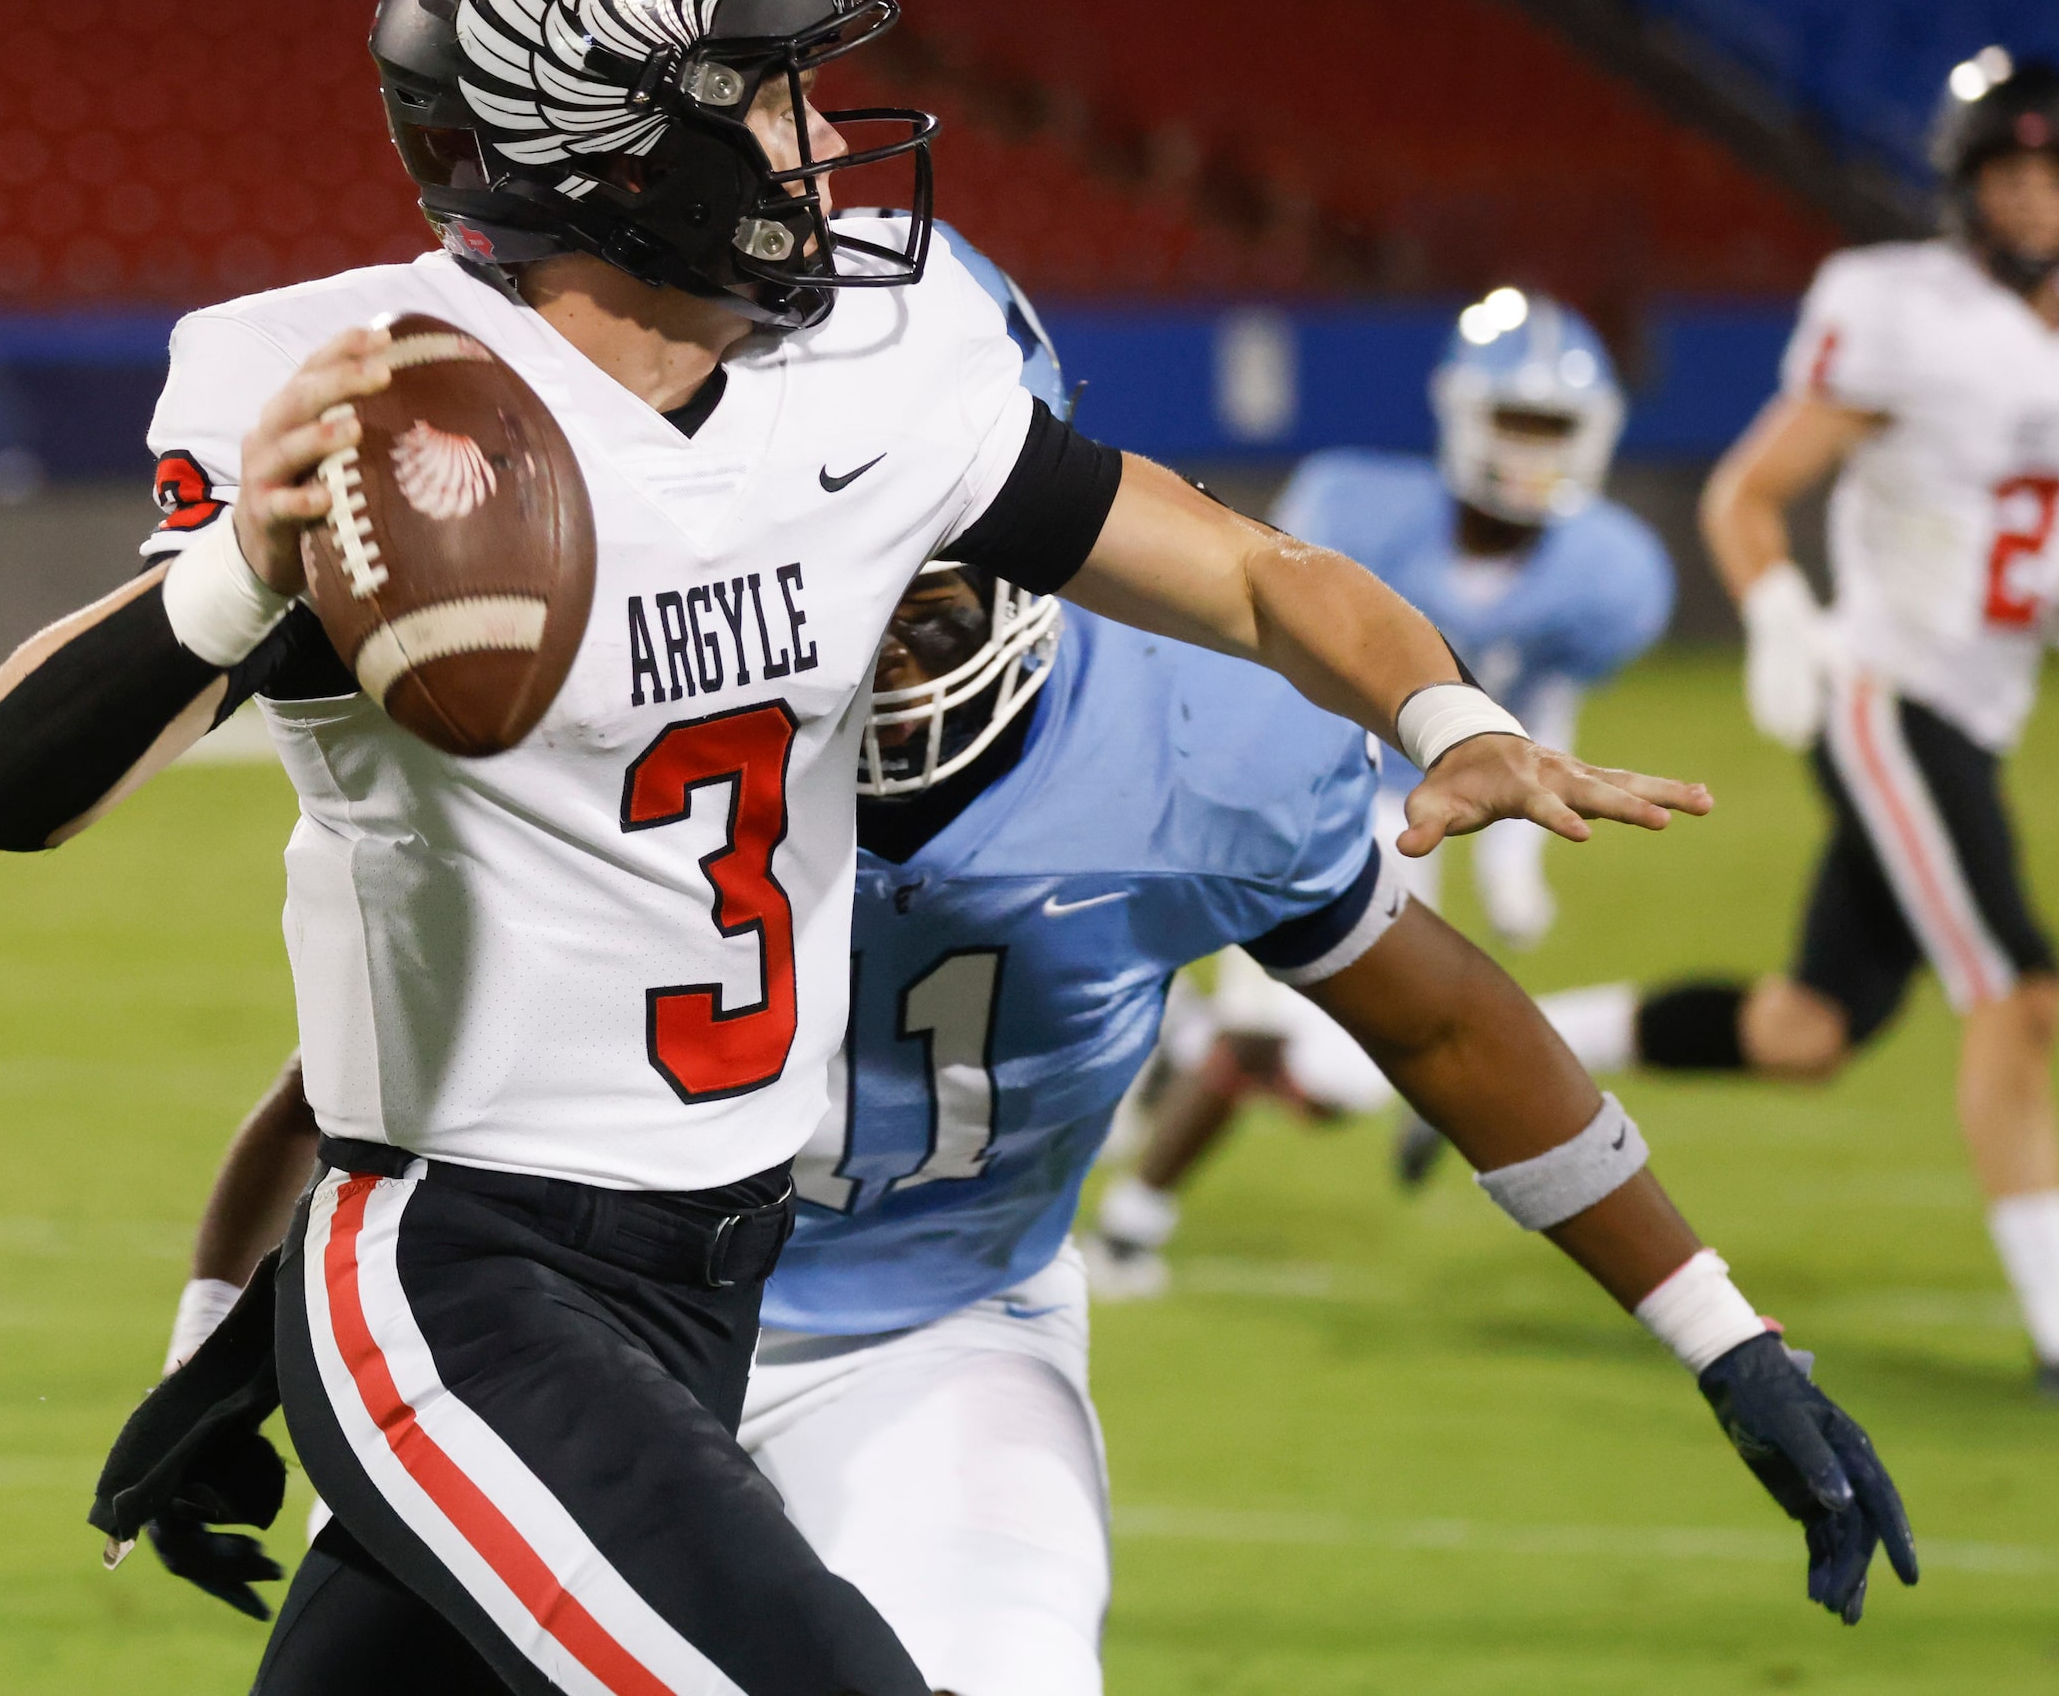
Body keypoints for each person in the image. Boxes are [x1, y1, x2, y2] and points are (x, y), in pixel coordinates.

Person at [0, 0, 1710, 1692]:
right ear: (613, 146)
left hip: (712, 1277)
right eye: (765, 91)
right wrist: (240, 570)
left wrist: (1450, 717)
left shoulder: (875, 365)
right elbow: (6, 782)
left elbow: (1253, 573)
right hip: (470, 1274)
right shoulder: (379, 406)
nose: (813, 138)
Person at [134, 243, 1913, 1682]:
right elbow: (391, 1068)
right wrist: (221, 1332)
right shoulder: (640, 687)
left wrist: (1718, 1331)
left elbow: (1441, 1022)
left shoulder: (1191, 746)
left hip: (931, 1336)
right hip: (582, 1319)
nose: (891, 630)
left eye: (936, 563)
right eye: (855, 569)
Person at [1511, 53, 2059, 1402]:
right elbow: (1745, 493)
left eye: (2053, 172)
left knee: (1807, 1030)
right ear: (1962, 183)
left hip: (1980, 703)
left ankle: (1521, 1046)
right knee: (2016, 989)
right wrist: (1782, 617)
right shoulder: (1893, 305)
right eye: (2006, 172)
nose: (2031, 197)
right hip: (1886, 693)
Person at [1096, 290, 1673, 1287]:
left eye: (1552, 427)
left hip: (1403, 814)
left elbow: (1531, 716)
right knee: (1285, 1032)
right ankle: (1130, 1225)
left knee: (1332, 1081)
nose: (1531, 450)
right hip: (1288, 768)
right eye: (1514, 422)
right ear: (1462, 414)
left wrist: (1514, 865)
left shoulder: (1603, 573)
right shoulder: (1357, 505)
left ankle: (1173, 1041)